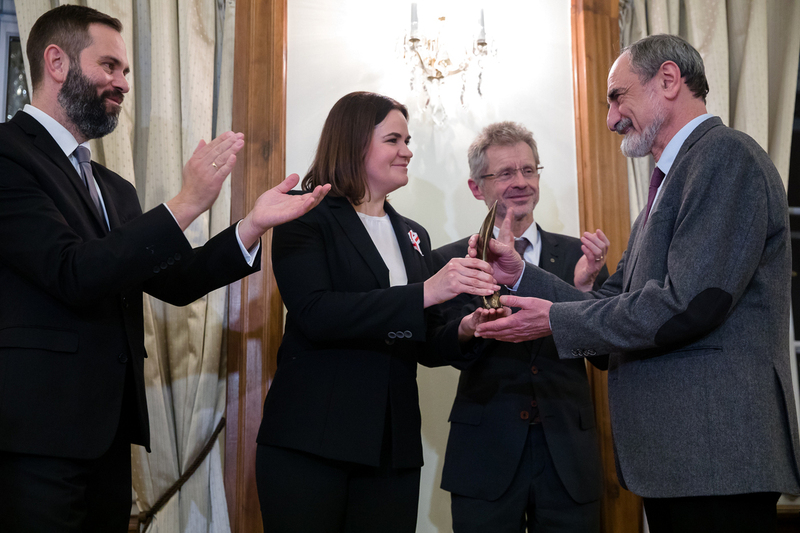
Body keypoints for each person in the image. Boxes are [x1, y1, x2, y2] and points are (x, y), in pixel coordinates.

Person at [0, 5, 329, 533]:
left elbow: (173, 284)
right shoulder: (8, 155)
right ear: (56, 62)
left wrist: (251, 225)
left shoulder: (112, 186)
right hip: (34, 438)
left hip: (108, 437)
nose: (122, 83)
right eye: (109, 66)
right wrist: (188, 202)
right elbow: (72, 272)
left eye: (126, 71)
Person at [471, 34, 800, 533]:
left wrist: (554, 318)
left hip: (716, 455)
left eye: (617, 95)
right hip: (681, 459)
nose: (610, 118)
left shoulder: (725, 157)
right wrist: (520, 274)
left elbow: (689, 304)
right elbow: (613, 301)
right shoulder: (669, 181)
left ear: (667, 80)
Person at [255, 91, 499, 533]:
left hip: (392, 448)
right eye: (394, 140)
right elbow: (316, 313)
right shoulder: (304, 214)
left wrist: (464, 329)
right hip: (313, 442)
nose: (407, 151)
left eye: (408, 141)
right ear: (352, 142)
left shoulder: (413, 234)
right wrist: (425, 291)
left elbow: (422, 336)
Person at [433, 121, 610, 532]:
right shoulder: (453, 260)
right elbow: (435, 347)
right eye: (506, 173)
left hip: (568, 455)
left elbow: (607, 351)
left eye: (529, 170)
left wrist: (580, 291)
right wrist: (468, 327)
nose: (521, 182)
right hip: (485, 454)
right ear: (477, 187)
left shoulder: (578, 258)